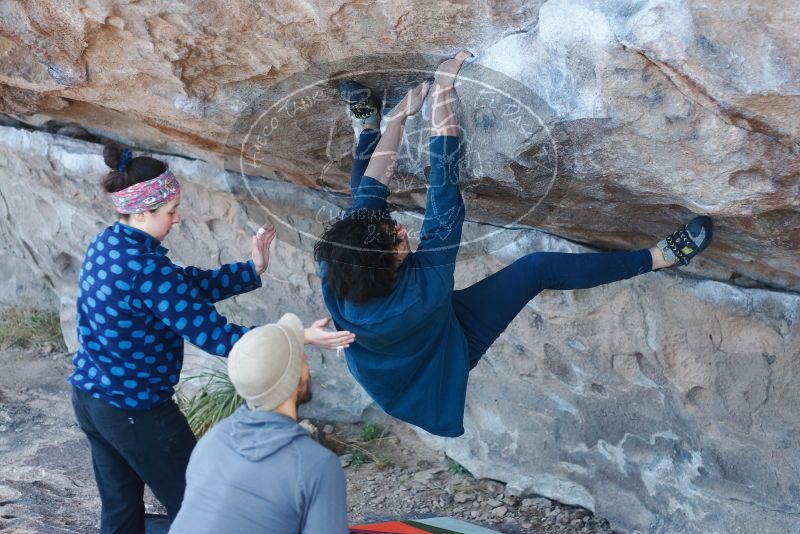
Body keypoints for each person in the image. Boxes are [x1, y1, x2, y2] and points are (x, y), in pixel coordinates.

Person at [314, 51, 713, 438]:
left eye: (391, 227)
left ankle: (369, 126)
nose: (401, 229)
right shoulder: (424, 288)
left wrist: (398, 116)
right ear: (393, 272)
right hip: (434, 360)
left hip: (396, 338)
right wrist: (442, 93)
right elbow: (443, 181)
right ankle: (659, 257)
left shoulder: (341, 262)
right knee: (536, 269)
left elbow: (371, 192)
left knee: (362, 204)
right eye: (397, 241)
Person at [69, 143, 355, 533]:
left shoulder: (109, 243)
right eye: (170, 212)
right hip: (135, 409)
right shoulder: (148, 269)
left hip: (91, 400)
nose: (177, 219)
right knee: (200, 507)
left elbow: (183, 287)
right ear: (141, 211)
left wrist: (251, 269)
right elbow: (216, 335)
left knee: (121, 511)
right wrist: (296, 336)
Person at [170, 313, 348, 534]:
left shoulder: (213, 440)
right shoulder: (314, 465)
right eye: (302, 358)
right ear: (295, 381)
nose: (308, 361)